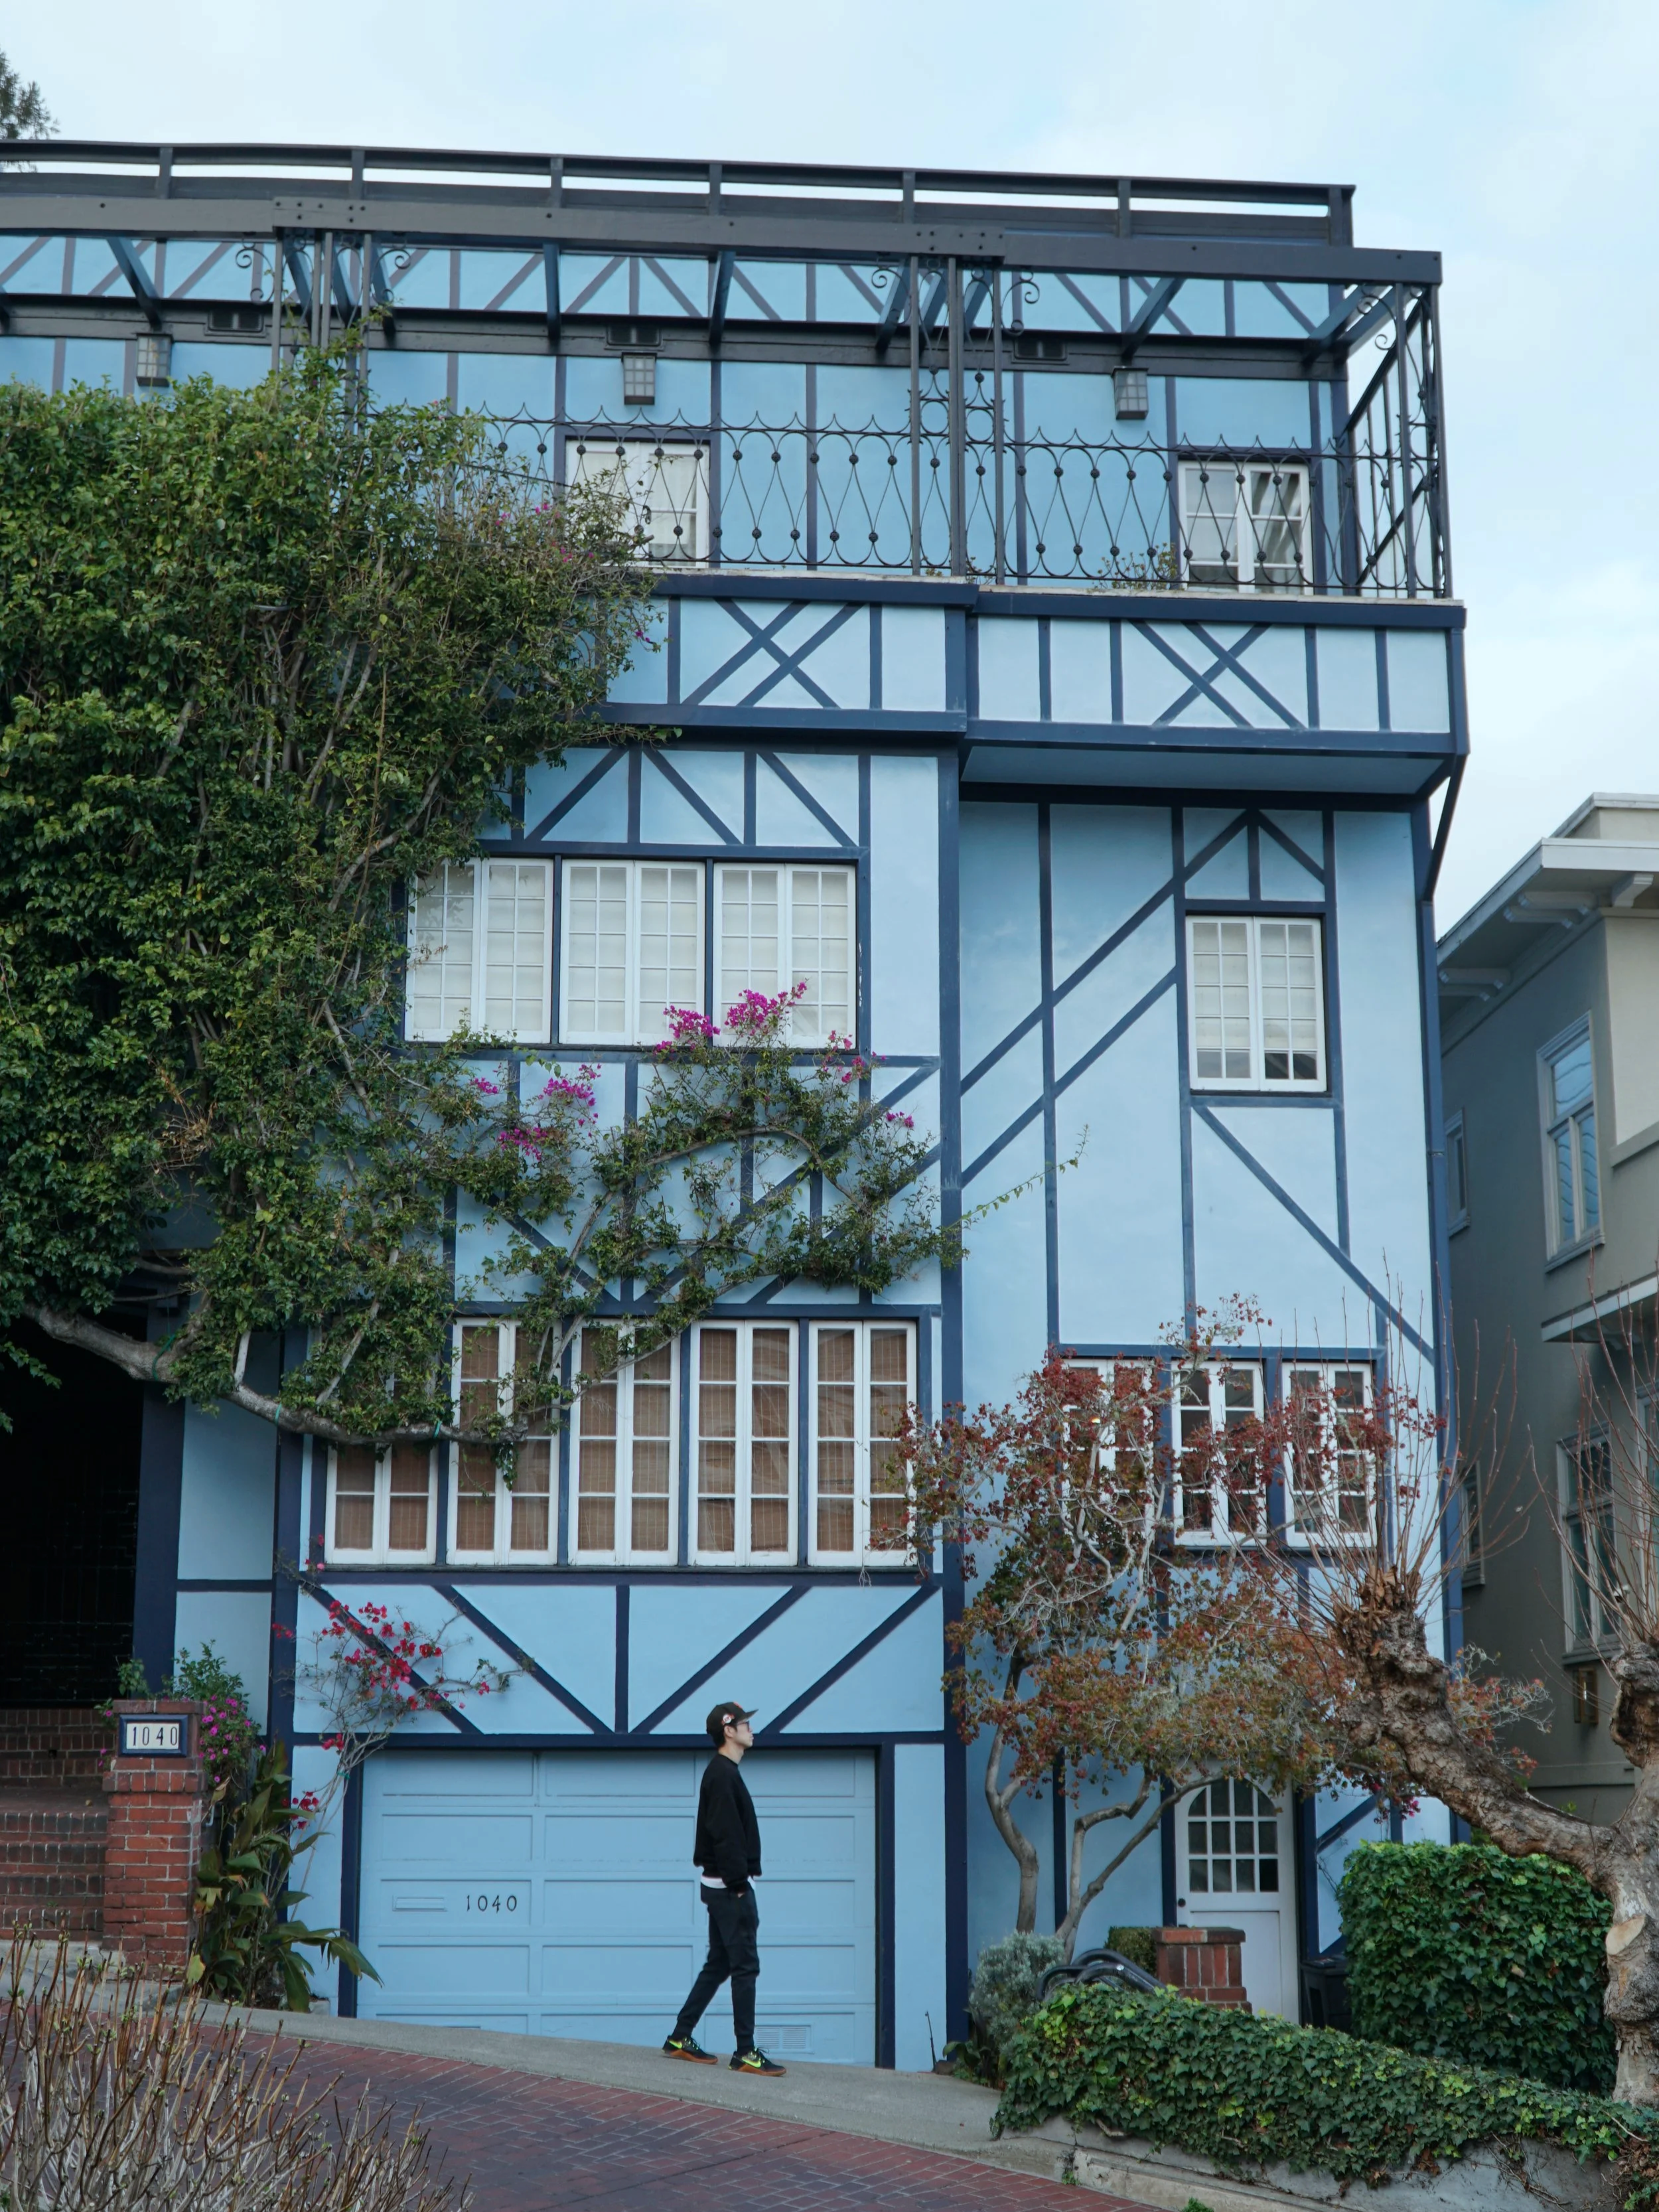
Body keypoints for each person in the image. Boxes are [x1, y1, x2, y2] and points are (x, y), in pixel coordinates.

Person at [662, 1699, 786, 2075]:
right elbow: (725, 1836)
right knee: (744, 1966)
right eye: (744, 1724)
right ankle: (745, 2052)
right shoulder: (722, 1774)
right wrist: (738, 1885)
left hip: (721, 1886)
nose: (751, 1728)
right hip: (728, 1889)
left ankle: (680, 2037)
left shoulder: (724, 1772)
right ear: (728, 1731)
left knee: (719, 1964)